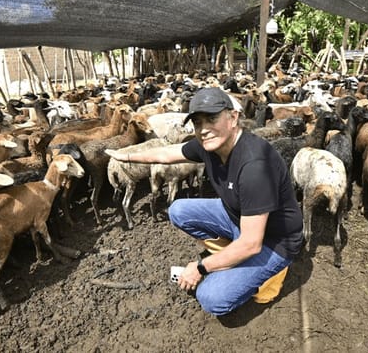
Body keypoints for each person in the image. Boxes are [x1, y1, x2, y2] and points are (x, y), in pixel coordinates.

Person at [105, 87, 303, 316]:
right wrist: (126, 156)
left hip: (274, 241)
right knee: (178, 209)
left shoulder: (254, 166)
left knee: (211, 298)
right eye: (198, 122)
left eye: (212, 118)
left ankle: (269, 272)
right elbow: (167, 153)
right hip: (240, 218)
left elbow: (251, 243)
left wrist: (200, 267)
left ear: (233, 117)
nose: (204, 129)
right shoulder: (210, 145)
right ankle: (232, 256)